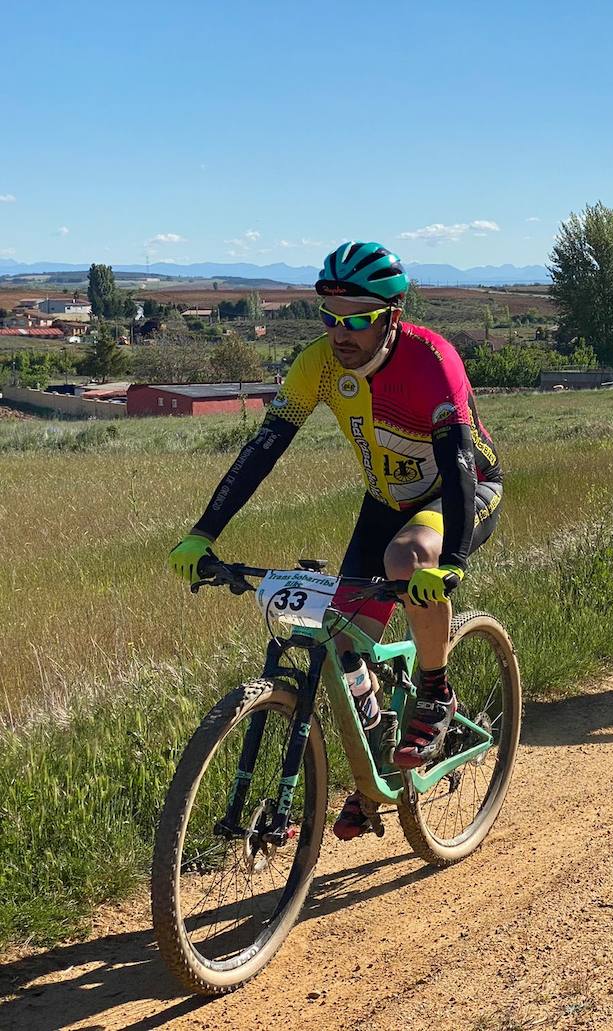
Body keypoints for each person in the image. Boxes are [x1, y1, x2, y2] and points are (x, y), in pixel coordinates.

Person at [167, 241, 503, 840]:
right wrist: (202, 533)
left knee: (406, 558)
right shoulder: (317, 363)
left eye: (357, 319)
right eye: (330, 317)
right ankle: (373, 781)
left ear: (392, 315)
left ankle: (435, 693)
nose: (340, 333)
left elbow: (457, 463)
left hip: (463, 489)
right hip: (386, 499)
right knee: (343, 640)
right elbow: (262, 450)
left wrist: (449, 562)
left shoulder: (433, 359)